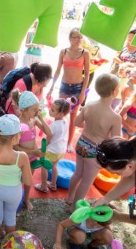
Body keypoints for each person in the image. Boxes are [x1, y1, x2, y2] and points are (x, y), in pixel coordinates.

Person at [66, 74, 121, 207]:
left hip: (81, 144)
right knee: (86, 181)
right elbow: (115, 141)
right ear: (115, 91)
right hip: (95, 151)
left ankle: (69, 198)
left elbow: (77, 122)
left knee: (77, 173)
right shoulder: (114, 117)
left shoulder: (89, 105)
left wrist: (90, 126)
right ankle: (74, 208)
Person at [0, 115, 32, 249]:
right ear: (13, 138)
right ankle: (9, 244)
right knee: (10, 216)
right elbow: (28, 181)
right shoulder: (21, 156)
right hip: (13, 191)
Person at [48, 28, 91, 152]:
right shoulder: (63, 51)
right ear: (70, 38)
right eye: (76, 37)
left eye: (80, 37)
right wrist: (51, 87)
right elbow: (57, 70)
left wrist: (83, 92)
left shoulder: (85, 53)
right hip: (64, 86)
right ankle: (55, 139)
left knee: (73, 116)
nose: (79, 40)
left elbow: (87, 74)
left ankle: (68, 143)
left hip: (77, 88)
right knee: (59, 114)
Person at [16, 91, 52, 206]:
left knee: (28, 180)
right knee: (18, 180)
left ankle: (26, 199)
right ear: (24, 109)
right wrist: (33, 152)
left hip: (33, 157)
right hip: (22, 159)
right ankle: (15, 200)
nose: (38, 111)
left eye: (38, 108)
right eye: (35, 109)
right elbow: (14, 146)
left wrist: (41, 118)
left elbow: (49, 133)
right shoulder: (19, 125)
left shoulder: (33, 120)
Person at [41, 99, 71, 191]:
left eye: (53, 110)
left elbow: (48, 140)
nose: (50, 110)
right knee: (54, 166)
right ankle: (53, 184)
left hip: (52, 150)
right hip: (61, 150)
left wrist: (43, 148)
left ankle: (43, 186)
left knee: (44, 166)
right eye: (51, 108)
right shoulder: (65, 121)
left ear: (60, 114)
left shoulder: (54, 125)